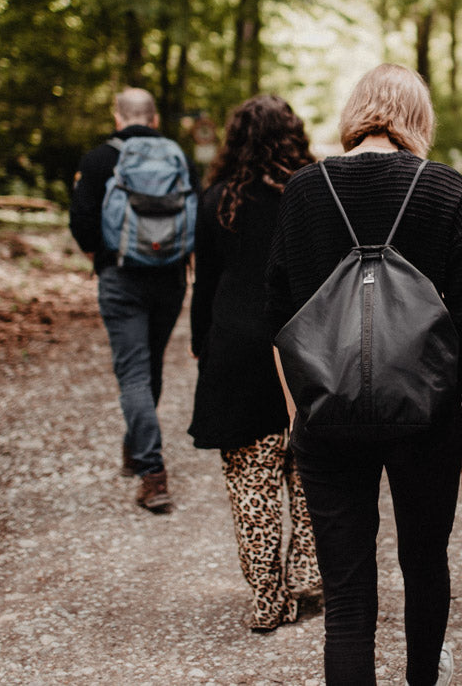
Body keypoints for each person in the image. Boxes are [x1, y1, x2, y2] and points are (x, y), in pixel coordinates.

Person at [266, 63, 462, 686]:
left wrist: (297, 413)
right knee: (425, 566)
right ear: (417, 119)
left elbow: (279, 316)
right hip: (426, 418)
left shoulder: (305, 190)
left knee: (345, 593)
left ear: (356, 112)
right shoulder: (443, 189)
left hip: (327, 417)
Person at [188, 95, 321, 632]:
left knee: (251, 487)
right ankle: (310, 570)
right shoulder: (310, 196)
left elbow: (205, 286)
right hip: (304, 347)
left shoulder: (217, 200)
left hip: (237, 354)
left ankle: (269, 599)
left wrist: (203, 345)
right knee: (311, 471)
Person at [69, 88, 193, 512]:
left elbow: (82, 223)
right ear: (154, 118)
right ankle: (136, 447)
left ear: (117, 117)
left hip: (121, 277)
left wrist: (104, 258)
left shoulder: (99, 159)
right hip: (171, 277)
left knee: (133, 371)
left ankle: (152, 474)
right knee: (150, 363)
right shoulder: (179, 156)